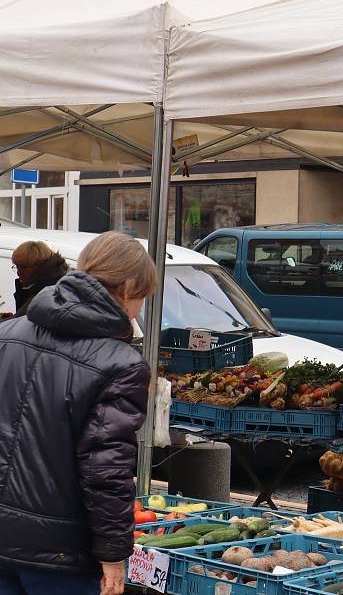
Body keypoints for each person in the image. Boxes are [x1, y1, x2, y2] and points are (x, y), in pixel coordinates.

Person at [0, 232, 157, 595]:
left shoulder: (7, 334)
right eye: (142, 299)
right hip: (61, 554)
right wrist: (114, 555)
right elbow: (107, 470)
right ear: (129, 287)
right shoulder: (121, 364)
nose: (138, 311)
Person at [9, 240, 68, 318]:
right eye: (17, 266)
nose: (18, 272)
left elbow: (19, 321)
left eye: (23, 267)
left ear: (39, 265)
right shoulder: (38, 286)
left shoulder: (45, 293)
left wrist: (6, 322)